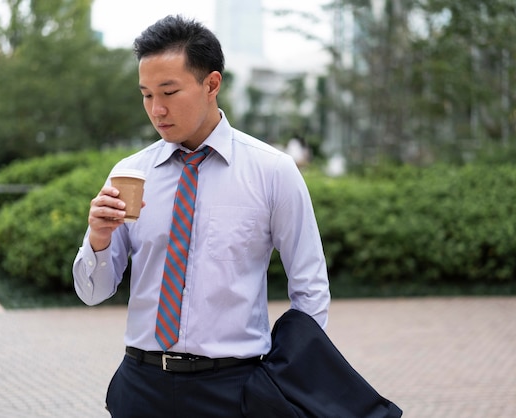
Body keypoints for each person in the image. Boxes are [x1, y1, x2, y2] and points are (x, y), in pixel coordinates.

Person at [72, 15, 330, 417]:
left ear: (211, 84)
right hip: (141, 386)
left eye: (170, 92)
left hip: (234, 389)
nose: (157, 109)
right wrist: (98, 239)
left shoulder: (272, 172)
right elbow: (93, 292)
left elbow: (310, 287)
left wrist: (284, 379)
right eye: (146, 94)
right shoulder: (131, 174)